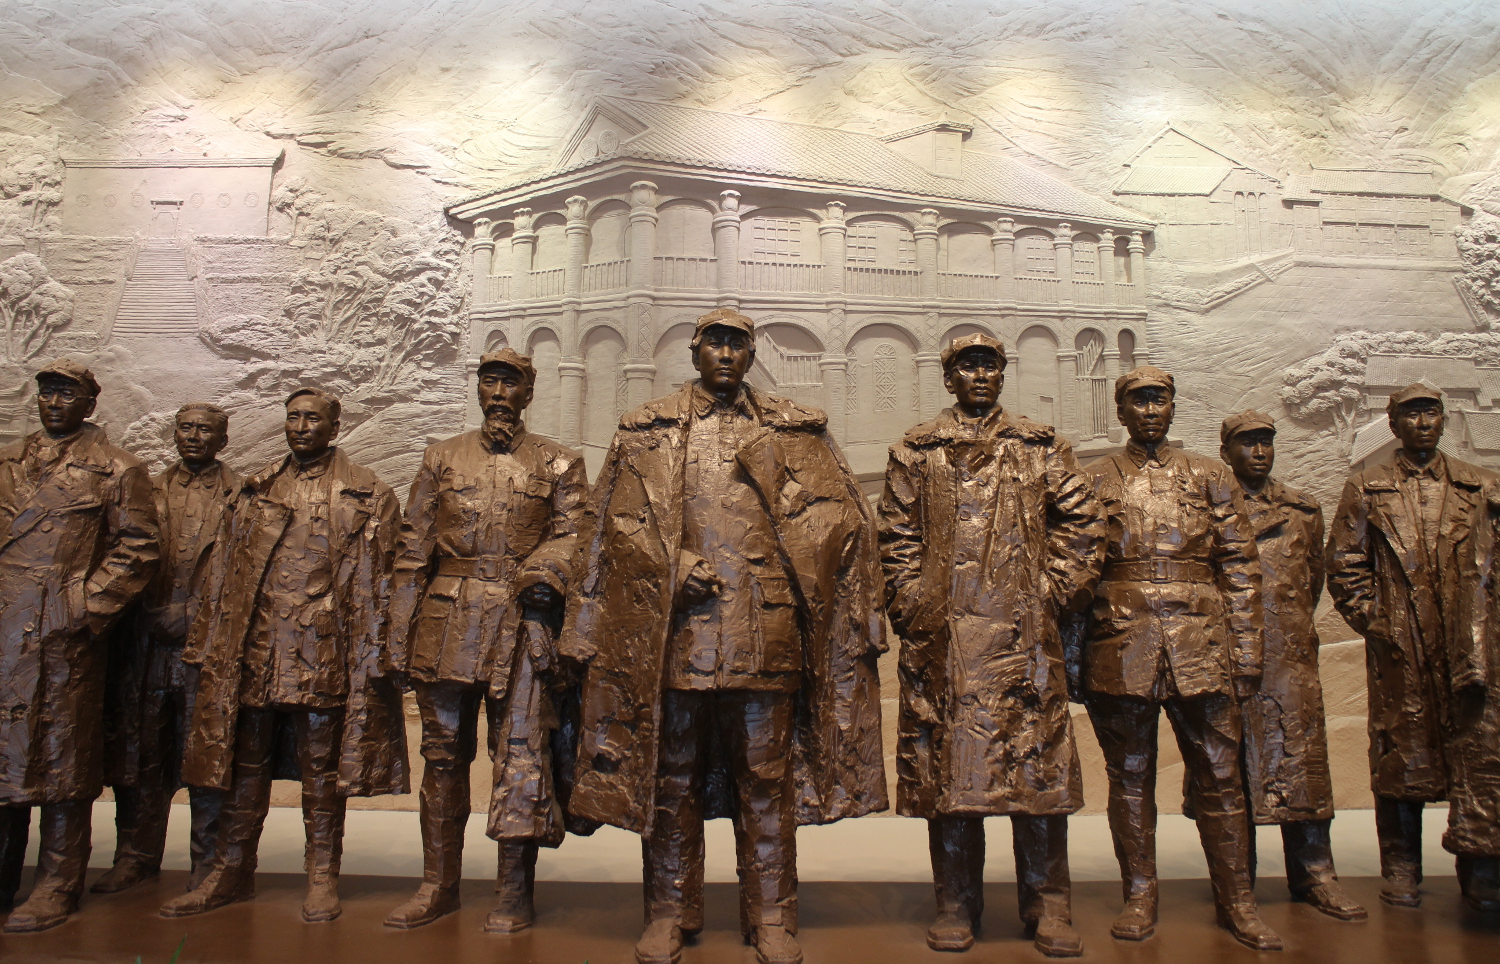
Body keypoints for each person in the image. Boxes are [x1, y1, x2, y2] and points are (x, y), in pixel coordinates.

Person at [561, 309, 887, 964]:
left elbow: (847, 525)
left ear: (752, 353)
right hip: (672, 635)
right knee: (670, 777)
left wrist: (852, 610)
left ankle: (771, 915)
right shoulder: (643, 431)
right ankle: (669, 912)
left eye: (739, 345)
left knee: (765, 779)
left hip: (765, 634)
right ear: (694, 350)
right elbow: (607, 527)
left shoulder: (795, 429)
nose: (726, 356)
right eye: (716, 343)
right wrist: (665, 563)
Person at [878, 334, 1105, 956]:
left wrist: (1051, 593)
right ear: (948, 378)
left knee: (1038, 770)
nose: (979, 375)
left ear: (1003, 374)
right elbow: (895, 537)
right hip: (944, 642)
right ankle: (956, 902)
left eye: (989, 365)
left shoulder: (1041, 446)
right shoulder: (916, 450)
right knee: (953, 775)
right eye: (966, 366)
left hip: (1024, 638)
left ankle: (1048, 903)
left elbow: (1084, 522)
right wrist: (914, 603)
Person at [161, 387, 407, 923]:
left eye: (312, 418)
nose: (300, 427)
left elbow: (385, 583)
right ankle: (233, 870)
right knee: (245, 764)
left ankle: (321, 874)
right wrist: (208, 646)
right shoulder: (255, 489)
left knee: (321, 768)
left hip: (324, 651)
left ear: (334, 425)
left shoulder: (369, 494)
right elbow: (222, 574)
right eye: (292, 417)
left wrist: (381, 656)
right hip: (258, 647)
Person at [383, 349, 589, 933]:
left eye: (511, 383)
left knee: (518, 757)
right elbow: (412, 550)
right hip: (446, 625)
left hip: (522, 628)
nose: (499, 393)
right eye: (489, 382)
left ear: (529, 392)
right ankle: (437, 884)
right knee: (442, 758)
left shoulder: (560, 462)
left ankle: (512, 892)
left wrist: (542, 574)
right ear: (478, 390)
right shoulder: (441, 457)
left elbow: (576, 535)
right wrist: (398, 638)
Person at [1077, 365, 1281, 951]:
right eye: (1138, 401)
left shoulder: (1212, 476)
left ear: (1172, 407)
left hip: (1203, 646)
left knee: (1220, 775)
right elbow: (1077, 574)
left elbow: (1241, 569)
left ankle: (1237, 900)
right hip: (1120, 643)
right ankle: (1140, 894)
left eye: (1158, 400)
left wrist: (1246, 654)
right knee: (1131, 776)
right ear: (1120, 411)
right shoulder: (1093, 481)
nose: (1149, 411)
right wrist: (1072, 665)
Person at [1325, 383, 1500, 913]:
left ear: (1444, 421)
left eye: (1432, 414)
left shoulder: (1483, 486)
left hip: (1468, 644)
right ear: (1393, 424)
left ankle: (1481, 867)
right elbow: (1345, 567)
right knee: (1400, 755)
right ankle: (1402, 867)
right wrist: (1379, 625)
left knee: (1478, 755)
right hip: (1401, 643)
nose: (1424, 424)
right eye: (1412, 415)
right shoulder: (1367, 487)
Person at [0, 358, 160, 932]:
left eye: (66, 393)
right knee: (3, 758)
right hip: (2, 633)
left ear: (90, 403)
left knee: (62, 759)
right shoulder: (8, 460)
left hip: (61, 639)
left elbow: (138, 550)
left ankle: (57, 882)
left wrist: (81, 608)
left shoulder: (118, 469)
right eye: (47, 392)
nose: (54, 402)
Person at [1217, 410, 1365, 921]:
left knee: (1303, 764)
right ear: (1225, 452)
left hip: (1291, 657)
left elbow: (1313, 581)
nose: (1258, 453)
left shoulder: (1303, 509)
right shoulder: (1211, 507)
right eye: (1247, 444)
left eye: (1266, 443)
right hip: (1231, 658)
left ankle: (1315, 874)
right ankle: (1238, 884)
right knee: (1231, 773)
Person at [95, 404, 240, 896]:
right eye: (185, 427)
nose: (193, 436)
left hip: (208, 648)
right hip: (146, 644)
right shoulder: (145, 490)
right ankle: (135, 855)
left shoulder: (243, 496)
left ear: (223, 439)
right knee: (141, 754)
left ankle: (207, 863)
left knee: (206, 756)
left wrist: (198, 615)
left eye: (205, 429)